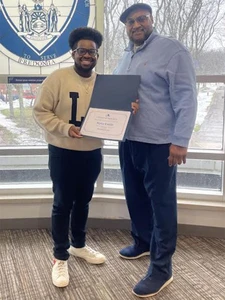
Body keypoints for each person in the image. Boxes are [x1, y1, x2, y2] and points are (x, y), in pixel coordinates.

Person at [33, 27, 138, 288]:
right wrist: (65, 128)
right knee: (62, 204)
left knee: (83, 201)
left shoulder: (105, 83)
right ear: (73, 53)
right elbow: (40, 112)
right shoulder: (57, 78)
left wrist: (129, 108)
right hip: (63, 151)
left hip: (92, 152)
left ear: (97, 55)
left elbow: (114, 116)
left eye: (92, 51)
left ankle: (78, 245)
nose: (87, 55)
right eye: (82, 50)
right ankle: (59, 256)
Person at [114, 3, 197, 298]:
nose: (135, 25)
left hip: (161, 144)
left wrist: (180, 140)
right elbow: (120, 93)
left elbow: (186, 98)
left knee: (161, 205)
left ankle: (162, 267)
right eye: (130, 22)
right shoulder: (126, 55)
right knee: (135, 196)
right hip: (129, 140)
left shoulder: (172, 51)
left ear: (151, 20)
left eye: (141, 19)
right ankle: (142, 242)